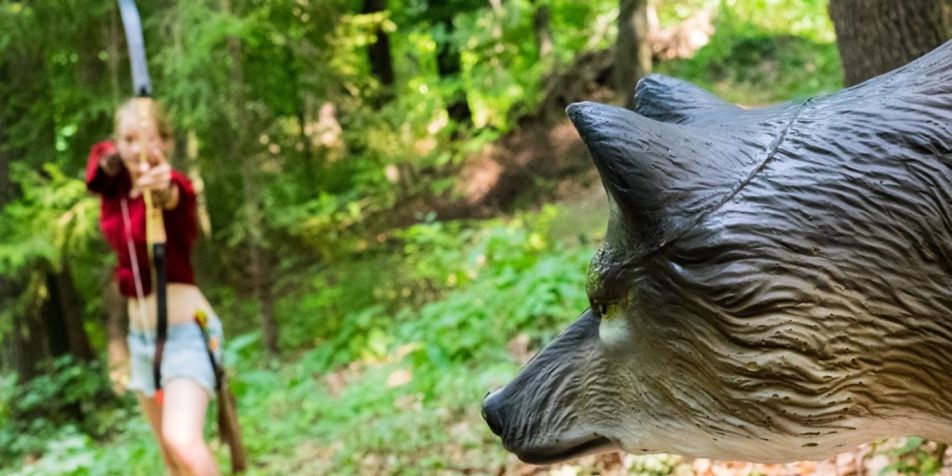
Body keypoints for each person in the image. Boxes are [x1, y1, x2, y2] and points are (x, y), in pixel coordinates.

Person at [86, 97, 223, 476]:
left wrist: (163, 190)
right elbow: (96, 167)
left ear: (166, 143)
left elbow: (176, 194)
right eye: (128, 139)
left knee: (182, 440)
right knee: (172, 459)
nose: (138, 149)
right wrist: (112, 159)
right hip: (142, 343)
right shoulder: (115, 191)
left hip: (186, 334)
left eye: (148, 139)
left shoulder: (170, 185)